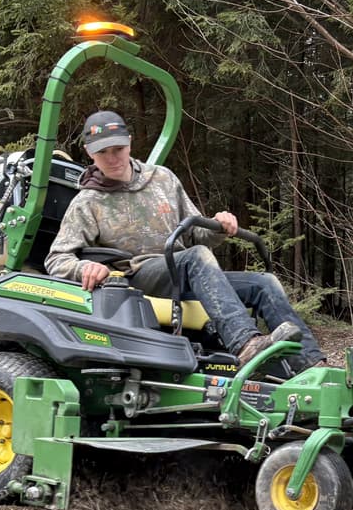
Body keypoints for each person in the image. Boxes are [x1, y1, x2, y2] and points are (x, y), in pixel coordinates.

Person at [44, 110, 326, 371]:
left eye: (117, 149)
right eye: (102, 152)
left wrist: (218, 225)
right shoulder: (87, 201)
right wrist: (85, 269)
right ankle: (244, 343)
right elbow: (57, 259)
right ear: (89, 154)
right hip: (137, 278)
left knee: (263, 283)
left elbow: (194, 233)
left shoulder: (162, 179)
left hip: (183, 273)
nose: (112, 158)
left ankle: (312, 364)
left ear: (129, 142)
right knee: (195, 257)